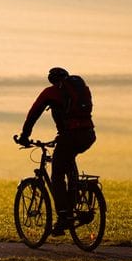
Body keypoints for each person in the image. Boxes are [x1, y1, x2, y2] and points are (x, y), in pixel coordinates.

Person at [16, 67, 96, 236]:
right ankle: (74, 196)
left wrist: (25, 135)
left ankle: (63, 217)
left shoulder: (51, 92)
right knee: (67, 159)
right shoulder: (79, 90)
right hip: (88, 134)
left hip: (70, 135)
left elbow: (34, 113)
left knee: (57, 173)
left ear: (51, 80)